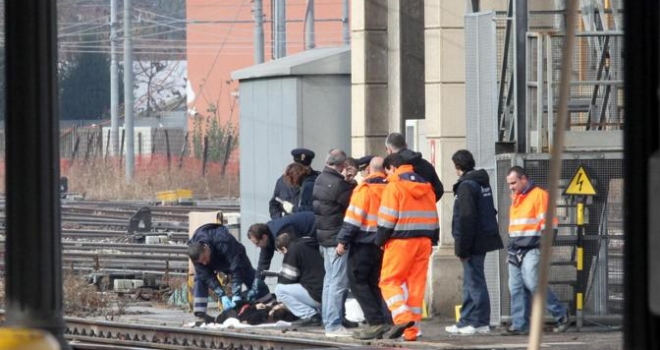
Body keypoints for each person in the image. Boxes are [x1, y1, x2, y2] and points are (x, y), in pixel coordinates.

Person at [375, 153, 439, 342]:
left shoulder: (394, 186)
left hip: (400, 242)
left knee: (389, 282)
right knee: (416, 286)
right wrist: (431, 239)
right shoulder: (427, 187)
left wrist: (379, 240)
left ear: (393, 168)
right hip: (424, 241)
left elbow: (386, 219)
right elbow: (434, 217)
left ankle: (403, 318)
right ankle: (412, 332)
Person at [502, 166, 570, 335]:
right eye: (509, 183)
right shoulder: (517, 198)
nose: (511, 186)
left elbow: (549, 225)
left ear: (524, 179)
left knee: (532, 282)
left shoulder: (539, 195)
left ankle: (560, 314)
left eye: (513, 182)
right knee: (516, 286)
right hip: (517, 248)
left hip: (533, 247)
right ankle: (520, 325)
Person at [445, 150, 504, 335]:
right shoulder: (481, 182)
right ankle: (465, 321)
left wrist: (462, 247)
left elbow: (466, 218)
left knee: (475, 282)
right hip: (482, 238)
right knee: (470, 282)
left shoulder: (466, 186)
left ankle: (480, 322)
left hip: (472, 241)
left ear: (457, 167)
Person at [337, 156, 392, 340]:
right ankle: (383, 320)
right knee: (374, 282)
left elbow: (353, 220)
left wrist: (342, 241)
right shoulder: (391, 188)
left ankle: (375, 322)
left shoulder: (364, 189)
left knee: (358, 281)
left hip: (363, 243)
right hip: (383, 243)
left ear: (368, 170)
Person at [187, 223, 270, 324]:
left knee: (250, 278)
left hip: (236, 257)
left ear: (206, 248)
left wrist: (236, 293)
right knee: (200, 278)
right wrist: (221, 295)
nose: (204, 263)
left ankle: (269, 303)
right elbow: (207, 276)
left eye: (204, 258)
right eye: (201, 262)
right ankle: (200, 314)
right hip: (216, 260)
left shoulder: (223, 241)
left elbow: (236, 268)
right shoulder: (195, 253)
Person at [313, 148, 357, 337]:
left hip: (324, 237)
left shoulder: (320, 179)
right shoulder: (338, 184)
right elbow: (352, 201)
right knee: (338, 283)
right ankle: (333, 325)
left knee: (329, 282)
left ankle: (328, 321)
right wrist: (351, 182)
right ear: (342, 165)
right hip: (337, 239)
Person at [271, 233, 325, 327]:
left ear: (284, 248)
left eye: (282, 252)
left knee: (279, 290)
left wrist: (281, 273)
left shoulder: (293, 250)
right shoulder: (309, 243)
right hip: (327, 293)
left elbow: (287, 280)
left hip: (316, 295)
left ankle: (310, 316)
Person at [247, 211, 316, 280]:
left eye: (257, 243)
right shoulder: (266, 236)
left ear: (264, 237)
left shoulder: (281, 234)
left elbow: (294, 253)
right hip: (310, 228)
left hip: (315, 226)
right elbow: (263, 262)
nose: (257, 246)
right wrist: (257, 282)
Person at [385, 132, 444, 202]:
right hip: (425, 210)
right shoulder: (426, 164)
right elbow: (439, 190)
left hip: (403, 210)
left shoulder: (393, 168)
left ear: (389, 150)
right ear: (406, 145)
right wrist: (427, 203)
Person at [269, 148, 319, 219]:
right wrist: (280, 219)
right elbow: (274, 204)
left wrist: (293, 209)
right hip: (286, 225)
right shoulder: (283, 181)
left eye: (303, 168)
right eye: (298, 167)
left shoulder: (316, 180)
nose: (301, 171)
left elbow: (318, 209)